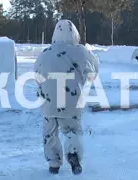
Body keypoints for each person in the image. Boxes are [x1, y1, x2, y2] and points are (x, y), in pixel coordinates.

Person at [34, 19, 99, 175]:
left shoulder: (45, 53)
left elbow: (37, 74)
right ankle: (74, 156)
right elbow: (93, 73)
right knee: (72, 130)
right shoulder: (81, 51)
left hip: (48, 101)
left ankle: (54, 162)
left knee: (49, 131)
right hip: (71, 100)